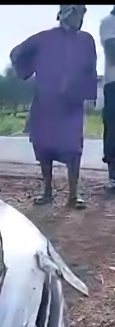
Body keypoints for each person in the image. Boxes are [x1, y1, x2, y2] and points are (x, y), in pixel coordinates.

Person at [10, 5, 98, 209]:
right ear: (66, 14)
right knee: (44, 146)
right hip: (46, 103)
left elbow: (90, 69)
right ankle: (47, 192)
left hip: (71, 105)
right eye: (77, 13)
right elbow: (17, 53)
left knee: (74, 150)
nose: (81, 17)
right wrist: (27, 70)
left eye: (83, 13)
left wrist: (90, 96)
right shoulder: (44, 38)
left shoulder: (86, 40)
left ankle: (73, 196)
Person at [100, 6, 115, 191]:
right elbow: (112, 53)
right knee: (114, 131)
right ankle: (113, 179)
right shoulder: (108, 23)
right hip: (114, 84)